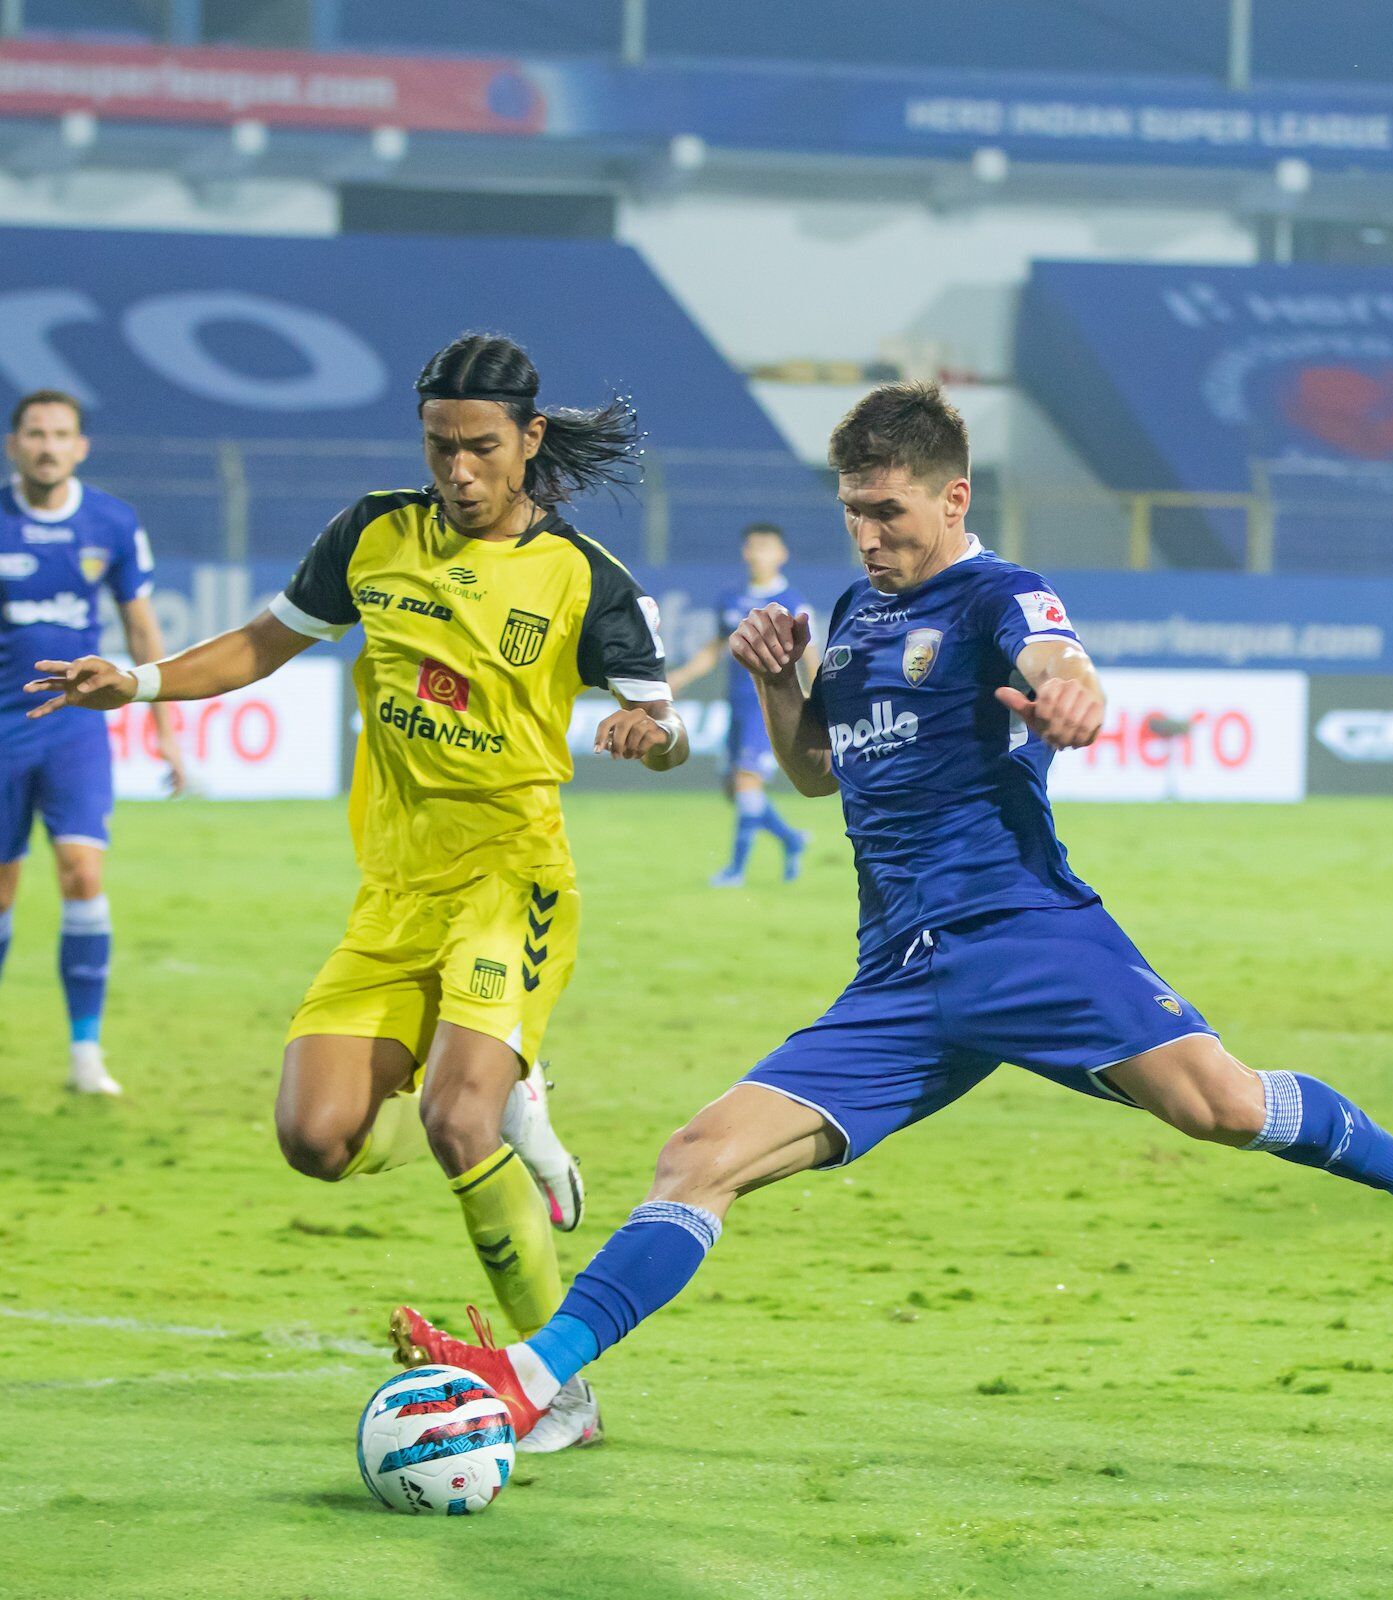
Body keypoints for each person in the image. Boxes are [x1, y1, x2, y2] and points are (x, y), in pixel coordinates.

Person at [389, 382, 1393, 1437]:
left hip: (1024, 938)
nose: (867, 535)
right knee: (696, 1156)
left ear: (953, 497)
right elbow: (817, 773)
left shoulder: (1002, 593)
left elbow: (1061, 665)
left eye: (888, 511)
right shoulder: (855, 613)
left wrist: (1072, 699)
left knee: (1222, 1106)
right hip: (898, 979)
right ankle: (532, 1380)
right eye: (852, 512)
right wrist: (779, 682)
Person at [26, 333, 689, 1451]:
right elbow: (261, 644)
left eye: (482, 449)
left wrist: (649, 733)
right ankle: (509, 1099)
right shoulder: (373, 535)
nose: (459, 472)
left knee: (453, 1115)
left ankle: (557, 1391)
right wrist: (134, 682)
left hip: (510, 880)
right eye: (440, 447)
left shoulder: (585, 579)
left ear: (530, 439)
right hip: (393, 894)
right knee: (316, 1137)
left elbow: (667, 730)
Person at [0, 389, 184, 1094]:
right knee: (3, 891)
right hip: (3, 731)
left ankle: (85, 1053)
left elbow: (140, 629)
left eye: (60, 434)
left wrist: (165, 730)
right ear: (14, 445)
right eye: (35, 434)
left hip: (74, 729)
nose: (47, 446)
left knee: (82, 873)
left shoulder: (112, 522)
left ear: (80, 447)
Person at [667, 523, 817, 885]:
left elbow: (810, 655)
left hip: (769, 707)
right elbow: (714, 649)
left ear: (782, 554)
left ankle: (735, 871)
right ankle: (791, 839)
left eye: (767, 547)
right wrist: (681, 677)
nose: (758, 555)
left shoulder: (791, 602)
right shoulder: (731, 599)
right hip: (736, 705)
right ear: (744, 552)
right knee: (734, 790)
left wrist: (815, 698)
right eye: (753, 547)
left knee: (747, 782)